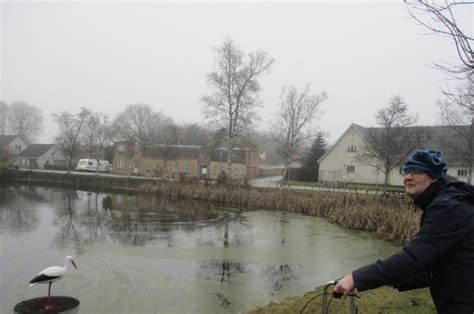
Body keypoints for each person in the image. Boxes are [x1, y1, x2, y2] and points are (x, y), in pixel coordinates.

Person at [334, 149, 474, 314]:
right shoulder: (445, 200)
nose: (407, 177)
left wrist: (356, 278)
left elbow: (414, 258)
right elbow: (435, 267)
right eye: (406, 171)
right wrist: (389, 279)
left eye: (416, 172)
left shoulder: (448, 208)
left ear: (434, 177)